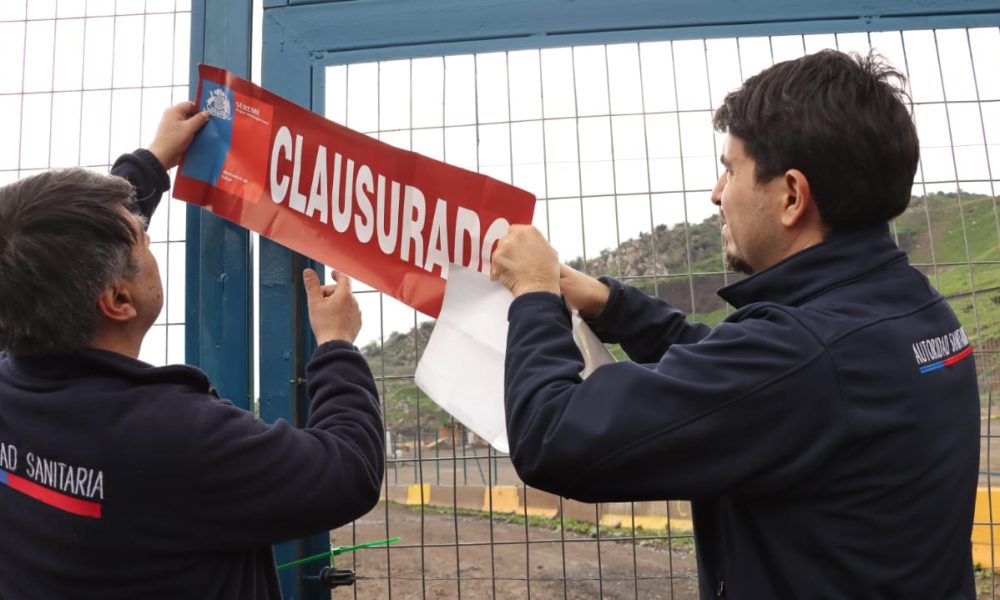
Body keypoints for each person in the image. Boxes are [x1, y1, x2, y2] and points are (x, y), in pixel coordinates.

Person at [491, 50, 979, 598]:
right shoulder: (909, 306)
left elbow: (552, 436)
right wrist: (613, 305)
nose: (717, 193)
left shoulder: (804, 355)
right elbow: (750, 376)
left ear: (792, 196)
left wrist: (533, 293)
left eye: (730, 169)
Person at [0, 102, 384, 598]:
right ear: (118, 299)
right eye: (141, 239)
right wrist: (336, 344)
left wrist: (151, 162)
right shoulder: (181, 437)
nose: (149, 234)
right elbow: (348, 471)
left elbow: (45, 254)